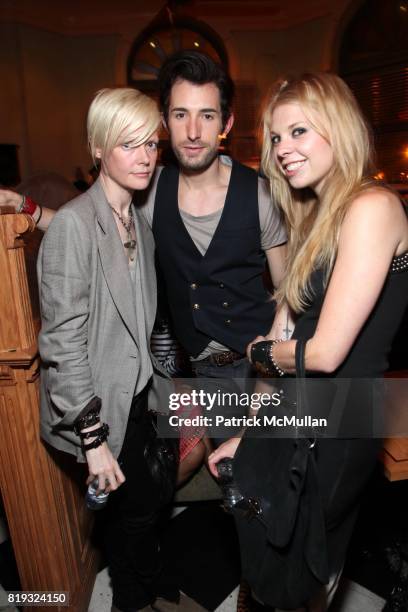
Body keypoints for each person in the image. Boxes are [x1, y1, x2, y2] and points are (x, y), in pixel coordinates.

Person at [208, 72, 408, 611]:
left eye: (297, 132)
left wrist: (257, 352)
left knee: (306, 563)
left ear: (337, 129)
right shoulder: (316, 217)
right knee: (284, 555)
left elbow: (323, 353)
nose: (281, 150)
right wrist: (249, 439)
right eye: (275, 138)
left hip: (343, 423)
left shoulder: (372, 207)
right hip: (303, 413)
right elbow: (285, 336)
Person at [2, 50, 288, 380]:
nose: (193, 131)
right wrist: (24, 206)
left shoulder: (260, 193)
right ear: (164, 121)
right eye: (181, 115)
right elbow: (87, 227)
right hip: (199, 372)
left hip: (261, 365)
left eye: (207, 116)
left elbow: (287, 293)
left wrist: (271, 362)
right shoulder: (152, 190)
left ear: (227, 122)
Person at [36, 87, 184, 612]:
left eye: (150, 143)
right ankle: (132, 599)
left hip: (140, 397)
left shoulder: (136, 221)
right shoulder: (76, 224)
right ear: (98, 148)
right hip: (99, 410)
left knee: (140, 513)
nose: (145, 156)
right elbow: (61, 342)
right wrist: (93, 438)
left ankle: (142, 584)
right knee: (132, 516)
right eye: (129, 144)